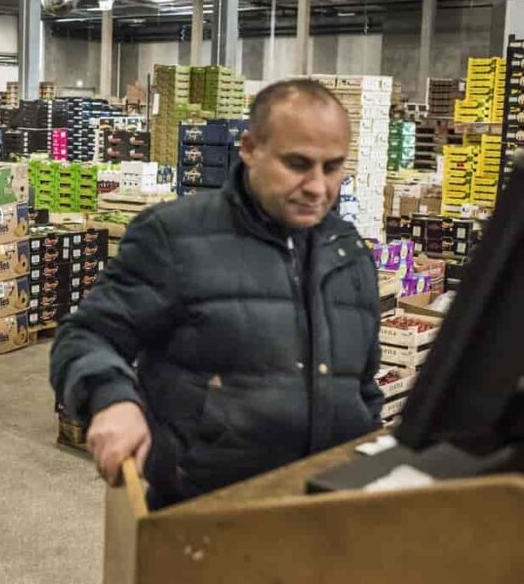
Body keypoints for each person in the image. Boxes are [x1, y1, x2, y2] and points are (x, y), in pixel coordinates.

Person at [51, 79, 384, 508]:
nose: (318, 187)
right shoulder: (174, 237)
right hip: (204, 514)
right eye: (297, 164)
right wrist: (112, 400)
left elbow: (362, 387)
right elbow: (86, 336)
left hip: (327, 518)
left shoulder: (350, 252)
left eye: (333, 167)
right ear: (248, 148)